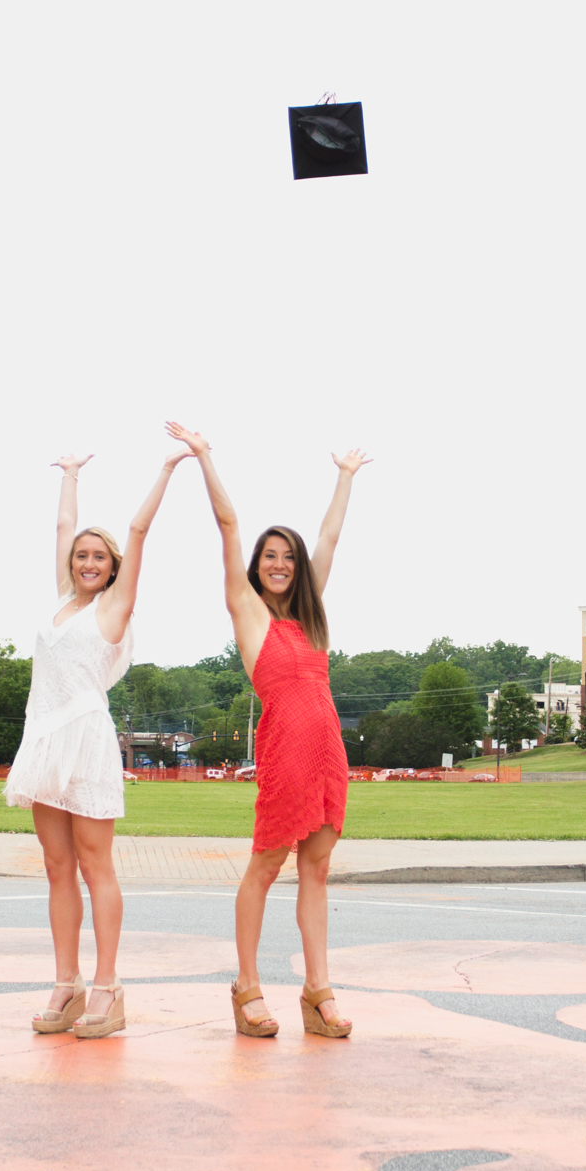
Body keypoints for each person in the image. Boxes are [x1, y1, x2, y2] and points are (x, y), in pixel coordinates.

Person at [168, 420, 368, 1039]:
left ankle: (318, 991)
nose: (280, 565)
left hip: (329, 754)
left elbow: (330, 536)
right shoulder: (248, 612)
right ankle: (247, 986)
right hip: (284, 753)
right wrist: (204, 458)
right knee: (264, 866)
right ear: (256, 567)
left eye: (288, 557)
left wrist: (344, 476)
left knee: (318, 869)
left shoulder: (310, 616)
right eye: (270, 557)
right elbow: (228, 526)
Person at [5, 445, 189, 1039]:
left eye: (98, 557)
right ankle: (67, 984)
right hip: (43, 740)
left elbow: (137, 530)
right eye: (80, 555)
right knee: (57, 867)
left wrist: (166, 469)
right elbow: (64, 525)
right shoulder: (60, 604)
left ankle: (108, 990)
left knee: (94, 865)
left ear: (112, 567)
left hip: (86, 742)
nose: (87, 562)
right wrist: (70, 476)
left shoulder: (114, 611)